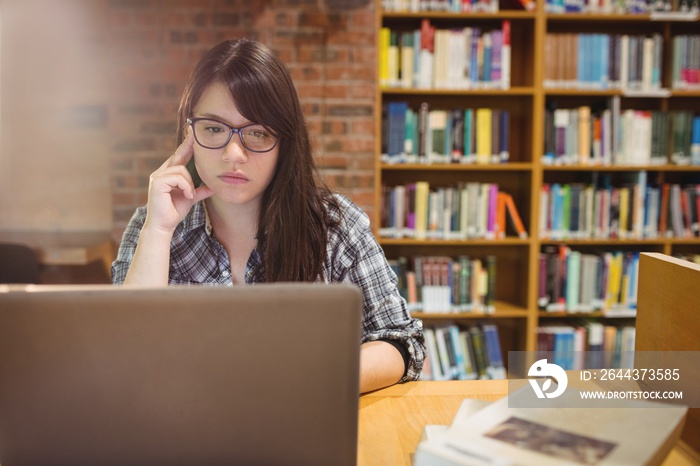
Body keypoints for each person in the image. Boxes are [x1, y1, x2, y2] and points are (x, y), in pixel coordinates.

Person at [112, 38, 425, 393]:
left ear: (285, 142)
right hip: (183, 433)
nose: (234, 154)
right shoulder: (150, 225)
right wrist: (159, 229)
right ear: (190, 134)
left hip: (301, 428)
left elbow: (402, 342)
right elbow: (126, 360)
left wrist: (314, 378)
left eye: (257, 133)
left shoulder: (335, 226)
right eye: (213, 128)